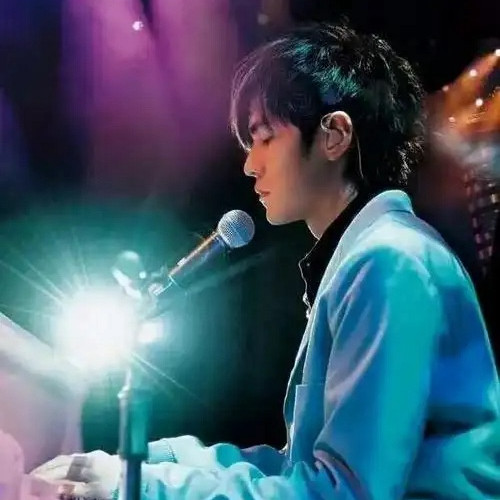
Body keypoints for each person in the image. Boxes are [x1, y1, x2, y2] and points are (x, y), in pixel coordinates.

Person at [32, 23, 500, 499]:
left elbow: (345, 492)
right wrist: (151, 461)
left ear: (335, 135)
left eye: (265, 138)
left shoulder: (388, 262)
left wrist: (143, 486)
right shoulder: (370, 257)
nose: (250, 165)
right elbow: (299, 468)